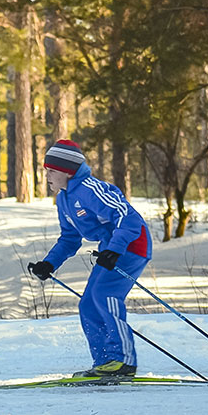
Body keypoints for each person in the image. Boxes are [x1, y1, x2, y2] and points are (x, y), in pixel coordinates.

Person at [26, 139, 152, 378]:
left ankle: (123, 360)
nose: (47, 176)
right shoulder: (63, 199)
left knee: (105, 295)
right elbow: (70, 238)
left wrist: (114, 249)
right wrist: (49, 263)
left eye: (51, 170)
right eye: (46, 171)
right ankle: (105, 362)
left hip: (133, 245)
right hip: (111, 247)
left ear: (67, 171)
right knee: (88, 303)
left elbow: (129, 218)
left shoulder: (89, 189)